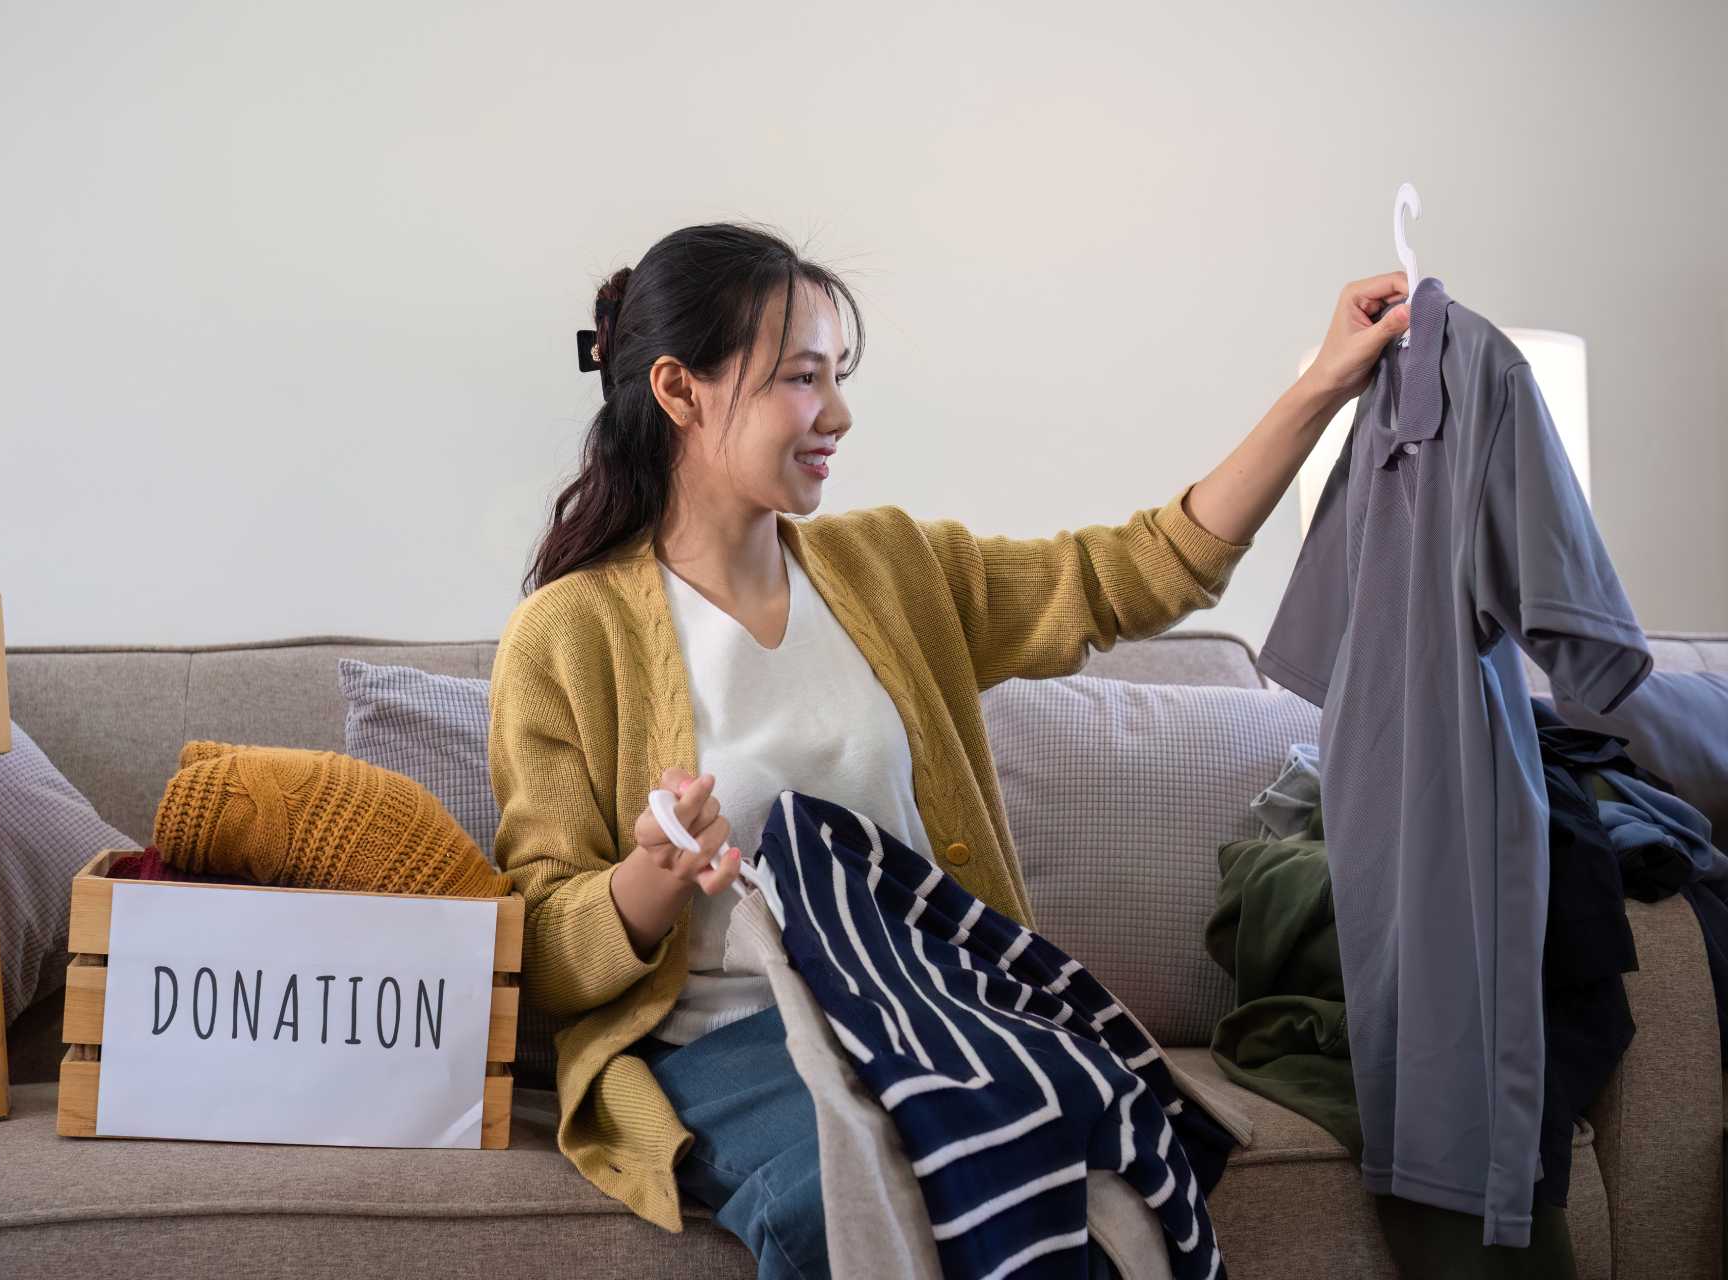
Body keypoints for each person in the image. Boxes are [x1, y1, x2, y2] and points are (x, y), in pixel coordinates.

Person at [488, 220, 1412, 1278]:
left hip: (938, 1005)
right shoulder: (567, 633)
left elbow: (1137, 571)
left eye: (837, 376)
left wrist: (1322, 390)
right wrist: (646, 881)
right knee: (845, 1199)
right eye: (801, 378)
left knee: (1089, 1180)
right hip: (734, 1037)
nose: (837, 412)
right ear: (679, 389)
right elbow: (541, 951)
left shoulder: (889, 568)